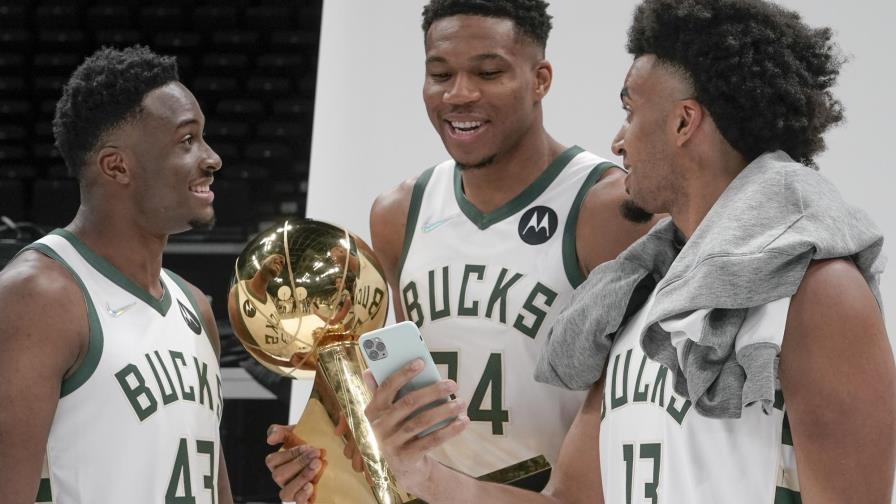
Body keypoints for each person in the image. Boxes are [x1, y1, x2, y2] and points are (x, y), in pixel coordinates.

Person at [361, 0, 896, 502]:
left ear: (684, 122)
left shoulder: (820, 294)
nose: (618, 141)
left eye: (630, 111)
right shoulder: (634, 295)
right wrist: (422, 476)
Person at [265, 0, 657, 499]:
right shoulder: (398, 213)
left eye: (489, 72)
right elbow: (408, 392)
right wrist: (324, 453)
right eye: (440, 73)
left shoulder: (608, 209)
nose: (460, 93)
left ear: (541, 79)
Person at [0, 46, 237, 503]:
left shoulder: (196, 307)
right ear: (117, 165)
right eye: (187, 140)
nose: (212, 158)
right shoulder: (38, 298)